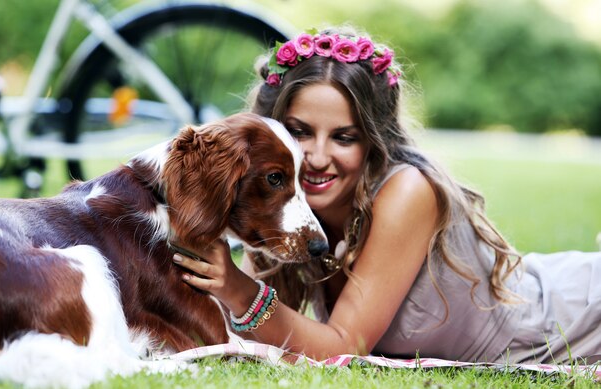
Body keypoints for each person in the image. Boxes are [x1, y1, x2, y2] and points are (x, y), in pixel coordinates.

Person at [172, 26, 601, 364]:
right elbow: (253, 333)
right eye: (300, 132)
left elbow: (338, 347)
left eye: (344, 137)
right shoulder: (287, 205)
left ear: (373, 141)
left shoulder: (407, 192)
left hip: (575, 319)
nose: (318, 157)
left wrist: (238, 289)